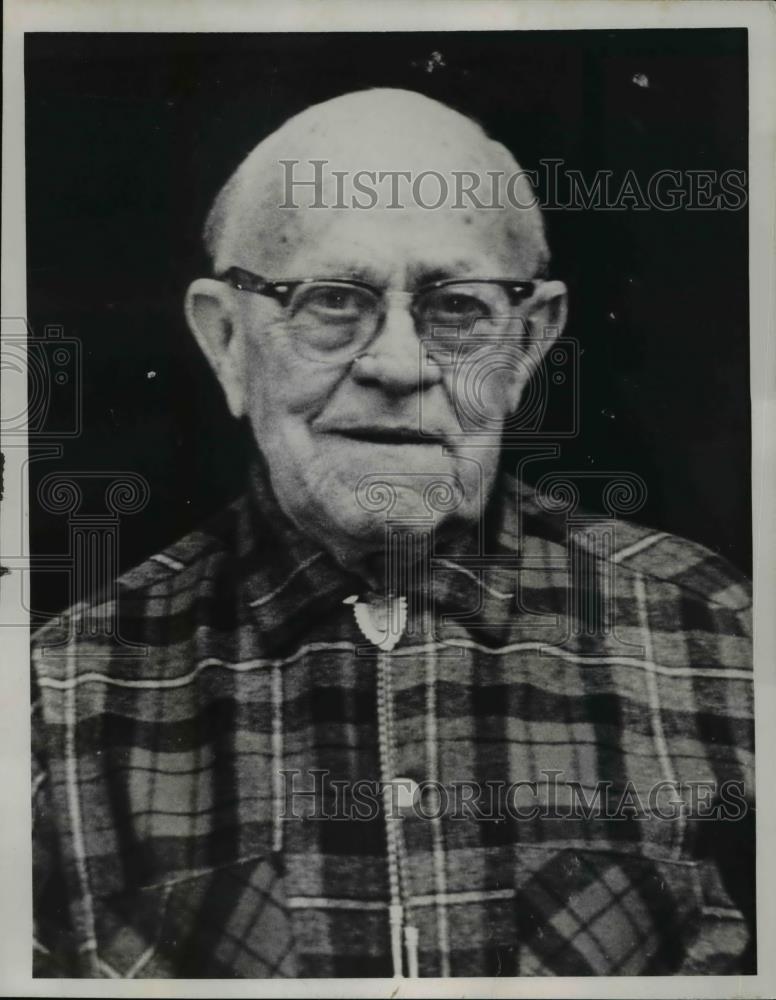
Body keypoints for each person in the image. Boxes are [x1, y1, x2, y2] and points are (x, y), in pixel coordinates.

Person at [31, 88, 754, 979]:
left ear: (527, 344)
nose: (399, 364)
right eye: (334, 301)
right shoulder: (53, 700)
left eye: (457, 308)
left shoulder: (724, 641)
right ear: (226, 340)